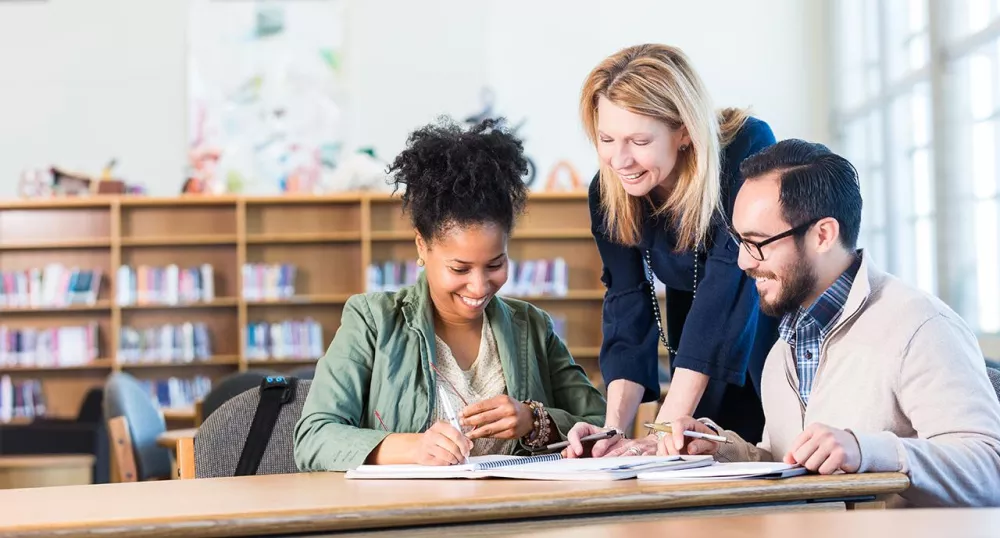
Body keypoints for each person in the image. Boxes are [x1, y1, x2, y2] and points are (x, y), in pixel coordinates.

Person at [664, 139, 1000, 508]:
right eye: (738, 242)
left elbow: (988, 468)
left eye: (758, 243)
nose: (743, 262)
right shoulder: (782, 348)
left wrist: (865, 450)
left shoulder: (922, 327)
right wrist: (723, 450)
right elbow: (791, 466)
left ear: (823, 234)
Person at [294, 118, 606, 471]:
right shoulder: (372, 321)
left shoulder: (532, 327)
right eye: (459, 269)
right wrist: (412, 448)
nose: (479, 286)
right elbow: (314, 437)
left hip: (516, 516)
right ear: (422, 246)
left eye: (495, 265)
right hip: (411, 518)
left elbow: (602, 425)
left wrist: (534, 422)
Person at [566, 43, 779, 458]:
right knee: (691, 457)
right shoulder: (608, 190)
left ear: (684, 131)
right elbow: (626, 305)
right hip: (695, 335)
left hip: (768, 324)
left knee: (762, 456)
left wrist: (664, 428)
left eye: (639, 140)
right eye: (606, 138)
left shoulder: (746, 148)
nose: (618, 159)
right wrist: (612, 431)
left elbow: (728, 285)